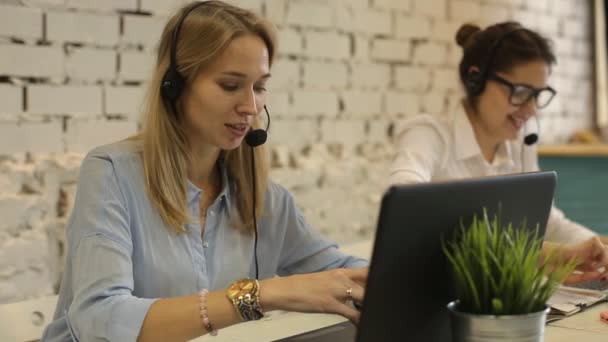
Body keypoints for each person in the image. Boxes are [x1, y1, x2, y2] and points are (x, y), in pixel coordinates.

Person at [42, 2, 367, 341]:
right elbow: (100, 317)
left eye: (259, 87)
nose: (251, 107)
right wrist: (262, 294)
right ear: (175, 86)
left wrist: (409, 270)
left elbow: (340, 272)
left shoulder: (263, 199)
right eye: (230, 85)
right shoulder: (112, 174)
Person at [389, 21, 608, 282]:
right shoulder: (428, 135)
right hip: (432, 293)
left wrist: (593, 248)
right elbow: (405, 212)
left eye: (538, 95)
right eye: (521, 92)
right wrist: (538, 254)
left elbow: (548, 221)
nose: (530, 110)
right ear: (475, 79)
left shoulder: (520, 143)